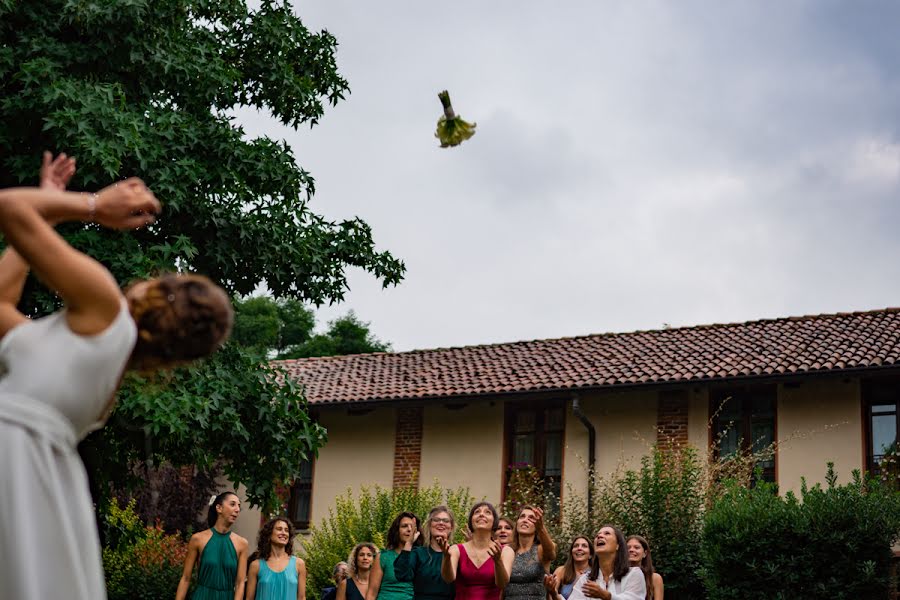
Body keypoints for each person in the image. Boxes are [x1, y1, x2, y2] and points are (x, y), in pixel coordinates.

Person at [0, 158, 233, 600]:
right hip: (33, 477)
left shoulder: (106, 307)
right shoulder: (104, 365)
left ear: (162, 292)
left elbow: (9, 208)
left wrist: (90, 205)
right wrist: (47, 208)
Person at [176, 492, 250, 599]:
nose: (237, 509)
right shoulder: (197, 539)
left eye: (239, 506)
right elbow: (186, 578)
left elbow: (240, 583)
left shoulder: (242, 544)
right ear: (219, 508)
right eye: (233, 504)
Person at [440, 502, 515, 600]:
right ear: (471, 521)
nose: (481, 514)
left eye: (487, 512)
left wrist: (497, 561)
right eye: (477, 512)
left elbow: (502, 584)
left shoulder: (506, 551)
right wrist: (446, 557)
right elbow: (448, 578)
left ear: (494, 522)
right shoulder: (456, 549)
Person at [558, 526, 645, 600]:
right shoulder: (586, 579)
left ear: (618, 545)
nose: (599, 536)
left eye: (607, 533)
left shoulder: (634, 574)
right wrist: (554, 594)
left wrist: (606, 596)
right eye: (597, 535)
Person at [394, 506, 457, 600]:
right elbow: (402, 575)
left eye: (445, 520)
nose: (441, 523)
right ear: (429, 525)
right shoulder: (419, 553)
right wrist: (408, 543)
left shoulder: (458, 553)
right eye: (436, 519)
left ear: (451, 527)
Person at [246, 517, 307, 600]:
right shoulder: (255, 565)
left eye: (286, 530)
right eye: (279, 529)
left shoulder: (299, 564)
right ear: (269, 534)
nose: (284, 533)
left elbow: (302, 597)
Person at [505, 505, 557, 600]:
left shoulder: (541, 549)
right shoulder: (508, 550)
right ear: (517, 523)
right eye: (522, 516)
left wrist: (541, 528)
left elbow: (551, 554)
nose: (525, 520)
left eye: (531, 518)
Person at [367, 511, 420, 600]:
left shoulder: (421, 557)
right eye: (404, 526)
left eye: (412, 526)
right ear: (397, 530)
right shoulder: (383, 557)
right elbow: (371, 594)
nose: (409, 529)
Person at [544, 536, 593, 600]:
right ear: (571, 552)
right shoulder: (561, 571)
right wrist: (550, 591)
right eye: (576, 546)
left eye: (584, 546)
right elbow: (551, 596)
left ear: (590, 555)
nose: (579, 548)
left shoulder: (595, 572)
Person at [625, 536, 663, 600]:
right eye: (628, 548)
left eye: (636, 547)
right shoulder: (617, 576)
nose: (631, 550)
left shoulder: (655, 578)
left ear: (644, 554)